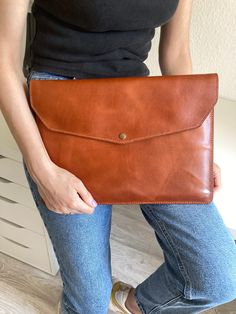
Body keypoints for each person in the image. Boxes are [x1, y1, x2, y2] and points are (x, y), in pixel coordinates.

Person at [0, 1, 235, 313]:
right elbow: (4, 59)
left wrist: (193, 145)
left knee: (219, 278)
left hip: (138, 104)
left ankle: (133, 303)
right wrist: (43, 170)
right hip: (61, 112)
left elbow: (176, 54)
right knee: (89, 302)